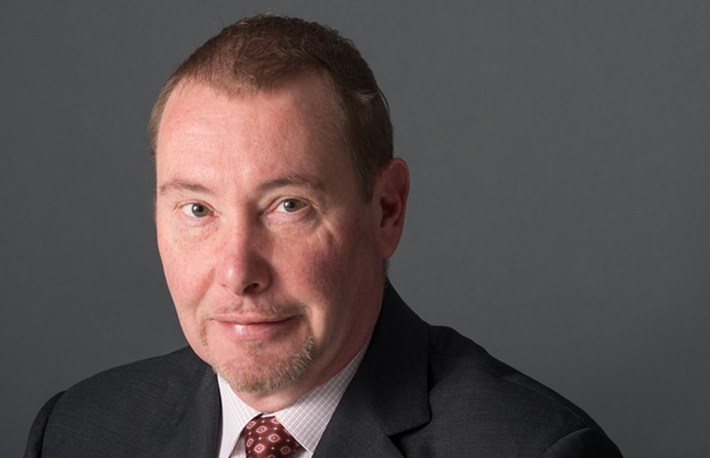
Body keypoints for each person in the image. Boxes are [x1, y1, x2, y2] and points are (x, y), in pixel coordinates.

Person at [24, 14, 623, 458]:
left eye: (289, 206)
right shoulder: (77, 432)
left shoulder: (534, 448)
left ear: (386, 210)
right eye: (198, 209)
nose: (237, 272)